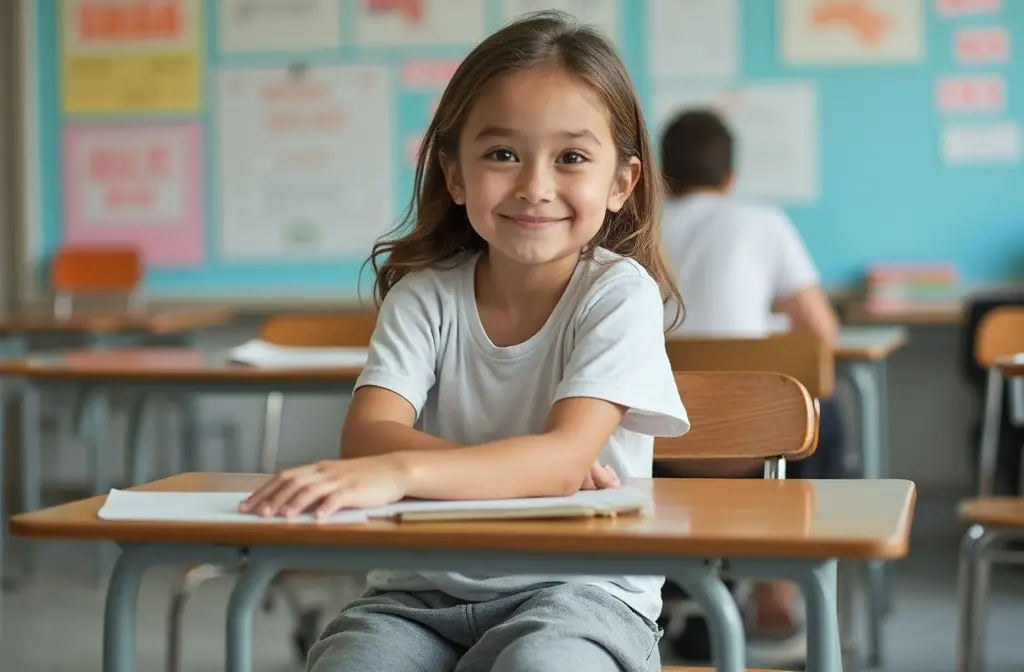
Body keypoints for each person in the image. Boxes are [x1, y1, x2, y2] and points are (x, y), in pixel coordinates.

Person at [240, 11, 689, 672]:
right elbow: (365, 438)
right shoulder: (424, 294)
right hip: (419, 592)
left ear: (621, 182)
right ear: (454, 175)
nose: (535, 186)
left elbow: (563, 460)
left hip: (581, 591)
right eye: (502, 154)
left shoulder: (619, 295)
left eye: (571, 158)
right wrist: (520, 468)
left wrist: (405, 470)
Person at [655, 109, 844, 669]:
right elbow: (821, 336)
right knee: (823, 409)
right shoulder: (763, 223)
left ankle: (680, 591)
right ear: (731, 178)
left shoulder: (636, 230)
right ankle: (778, 581)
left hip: (658, 446)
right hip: (753, 444)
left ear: (661, 178)